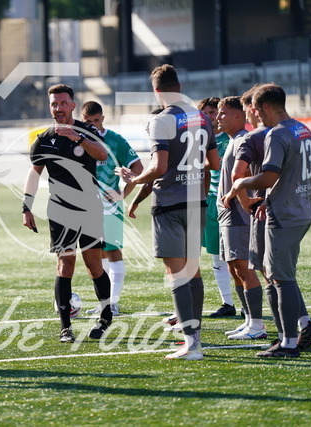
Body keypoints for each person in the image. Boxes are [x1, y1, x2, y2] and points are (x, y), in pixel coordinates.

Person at [117, 65, 219, 360]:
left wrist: (135, 179)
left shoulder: (161, 120)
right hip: (196, 201)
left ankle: (192, 344)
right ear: (179, 86)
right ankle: (195, 337)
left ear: (157, 91)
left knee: (177, 274)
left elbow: (159, 167)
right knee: (193, 271)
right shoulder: (201, 117)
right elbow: (214, 163)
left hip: (170, 203)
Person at [225, 83, 311, 357]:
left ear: (266, 107)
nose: (256, 116)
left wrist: (240, 185)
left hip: (283, 216)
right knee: (276, 275)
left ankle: (289, 343)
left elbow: (268, 177)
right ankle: (285, 338)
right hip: (297, 211)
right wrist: (299, 195)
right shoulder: (302, 129)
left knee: (280, 278)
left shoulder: (277, 134)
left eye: (257, 110)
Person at [22, 84, 112, 343]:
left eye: (63, 103)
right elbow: (34, 174)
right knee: (65, 264)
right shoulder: (43, 139)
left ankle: (106, 316)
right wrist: (26, 207)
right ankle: (65, 327)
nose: (58, 108)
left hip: (89, 207)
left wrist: (77, 138)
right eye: (54, 104)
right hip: (60, 209)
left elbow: (102, 154)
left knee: (93, 265)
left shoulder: (87, 130)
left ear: (73, 105)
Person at [81, 100, 143, 316]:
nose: (93, 125)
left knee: (113, 251)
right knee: (96, 254)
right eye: (88, 121)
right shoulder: (78, 140)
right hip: (86, 207)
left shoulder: (116, 140)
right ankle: (104, 302)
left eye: (96, 120)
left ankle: (113, 303)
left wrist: (123, 194)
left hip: (110, 207)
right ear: (82, 120)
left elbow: (138, 169)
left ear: (103, 119)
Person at [215, 96, 266, 340]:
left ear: (238, 116)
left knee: (244, 268)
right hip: (227, 213)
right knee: (234, 268)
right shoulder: (233, 140)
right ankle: (248, 321)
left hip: (237, 213)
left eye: (222, 113)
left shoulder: (243, 139)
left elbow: (242, 175)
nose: (218, 118)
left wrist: (242, 201)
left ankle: (257, 325)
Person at [198, 97, 235, 318]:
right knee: (215, 254)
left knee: (238, 256)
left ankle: (248, 304)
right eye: (204, 113)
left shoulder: (230, 139)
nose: (209, 117)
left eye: (213, 112)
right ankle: (227, 302)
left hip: (232, 201)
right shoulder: (199, 140)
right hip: (211, 201)